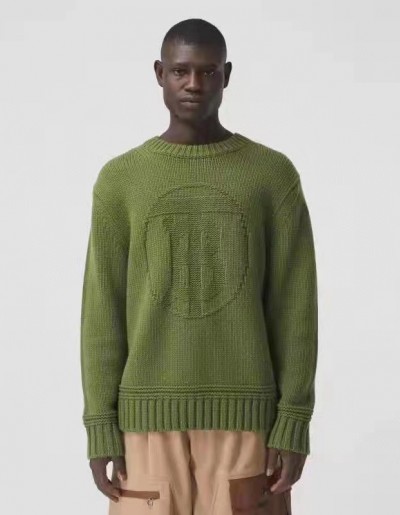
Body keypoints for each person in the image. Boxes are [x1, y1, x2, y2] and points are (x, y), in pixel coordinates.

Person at [80, 17, 318, 515]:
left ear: (226, 75)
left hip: (248, 422)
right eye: (180, 71)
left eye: (208, 71)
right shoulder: (121, 181)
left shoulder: (271, 176)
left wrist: (293, 419)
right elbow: (103, 310)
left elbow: (295, 307)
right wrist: (100, 423)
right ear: (159, 74)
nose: (193, 83)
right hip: (144, 425)